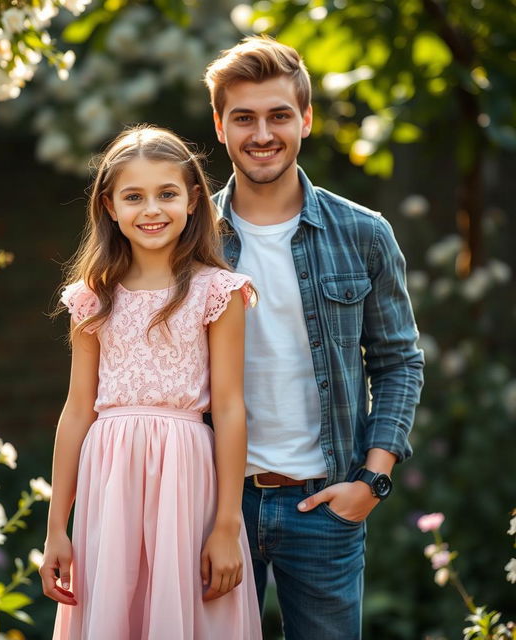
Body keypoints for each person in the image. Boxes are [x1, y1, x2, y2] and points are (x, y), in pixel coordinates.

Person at [203, 36, 424, 640]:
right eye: (243, 118)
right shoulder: (188, 242)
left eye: (278, 115)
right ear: (220, 126)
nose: (262, 134)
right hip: (212, 508)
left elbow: (399, 361)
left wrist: (372, 481)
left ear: (304, 119)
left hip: (325, 504)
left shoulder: (363, 233)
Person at [39, 125, 262, 639]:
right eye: (134, 196)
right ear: (110, 207)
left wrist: (227, 524)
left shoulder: (218, 292)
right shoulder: (92, 298)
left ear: (193, 200)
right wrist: (57, 528)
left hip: (186, 477)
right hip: (109, 479)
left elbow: (229, 409)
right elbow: (77, 410)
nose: (152, 209)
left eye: (167, 194)